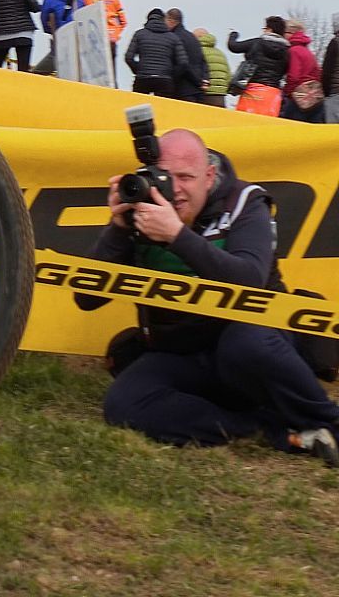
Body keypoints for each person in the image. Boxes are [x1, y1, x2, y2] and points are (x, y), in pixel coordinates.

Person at [75, 129, 339, 466]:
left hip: (252, 348)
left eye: (186, 177)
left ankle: (328, 421)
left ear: (210, 176)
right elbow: (86, 297)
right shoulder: (143, 212)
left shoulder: (245, 203)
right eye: (166, 178)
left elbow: (248, 281)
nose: (176, 189)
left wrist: (176, 235)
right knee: (124, 403)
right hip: (185, 353)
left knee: (245, 342)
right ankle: (267, 429)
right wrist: (118, 228)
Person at [77, 0, 128, 87]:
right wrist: (114, 35)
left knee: (93, 80)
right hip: (111, 40)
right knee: (111, 80)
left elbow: (77, 14)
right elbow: (123, 20)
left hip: (92, 40)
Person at [228, 17, 290, 117]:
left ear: (269, 29)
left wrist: (233, 35)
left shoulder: (257, 43)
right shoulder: (287, 50)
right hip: (273, 93)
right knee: (267, 123)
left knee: (244, 120)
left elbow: (233, 46)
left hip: (252, 90)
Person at [123, 8, 189, 98]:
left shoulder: (139, 34)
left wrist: (139, 70)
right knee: (163, 106)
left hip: (143, 78)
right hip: (164, 79)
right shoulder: (173, 37)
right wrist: (171, 74)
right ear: (163, 19)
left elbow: (128, 57)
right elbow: (183, 63)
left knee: (138, 105)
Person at [35, 0, 82, 75]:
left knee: (36, 74)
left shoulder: (50, 0)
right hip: (78, 48)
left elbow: (45, 25)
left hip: (59, 48)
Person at [280, 19, 323, 123]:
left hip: (298, 97)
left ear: (291, 33)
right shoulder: (308, 51)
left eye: (284, 33)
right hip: (313, 98)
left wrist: (286, 92)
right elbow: (318, 73)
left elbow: (294, 76)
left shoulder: (293, 50)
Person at [164, 8, 208, 104]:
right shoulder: (192, 37)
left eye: (165, 21)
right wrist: (203, 80)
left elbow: (183, 64)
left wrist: (171, 79)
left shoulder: (174, 38)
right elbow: (203, 61)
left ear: (171, 21)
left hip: (182, 89)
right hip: (198, 90)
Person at [192, 28, 231, 107]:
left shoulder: (197, 51)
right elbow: (228, 75)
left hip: (203, 95)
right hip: (220, 96)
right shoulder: (220, 53)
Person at [322, 14, 339, 124]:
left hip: (336, 93)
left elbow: (327, 71)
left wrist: (326, 92)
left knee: (333, 130)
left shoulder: (335, 43)